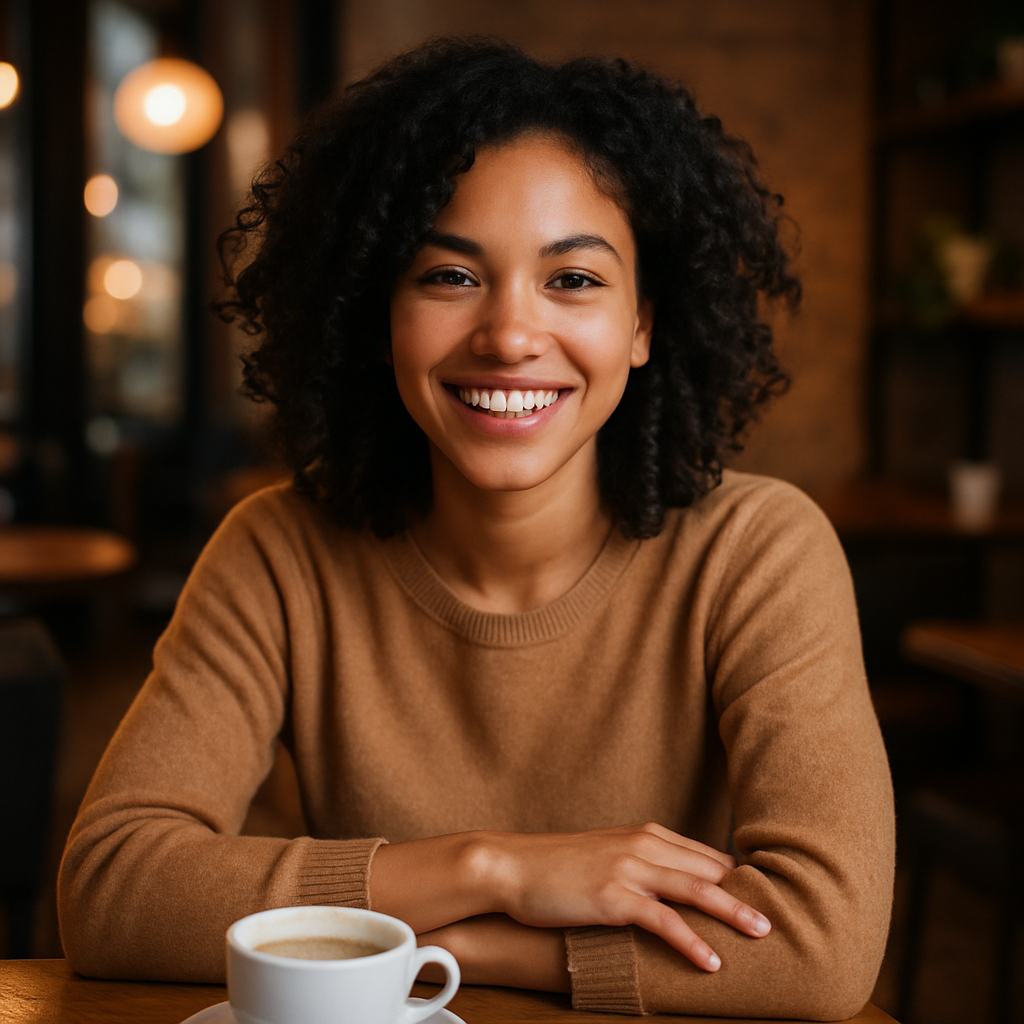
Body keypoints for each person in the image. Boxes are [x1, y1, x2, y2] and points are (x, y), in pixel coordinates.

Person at [59, 38, 894, 1019]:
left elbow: (818, 948)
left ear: (643, 326)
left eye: (573, 280)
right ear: (375, 319)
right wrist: (494, 868)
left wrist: (468, 947)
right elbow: (114, 890)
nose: (507, 333)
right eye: (449, 277)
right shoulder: (277, 551)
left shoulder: (756, 551)